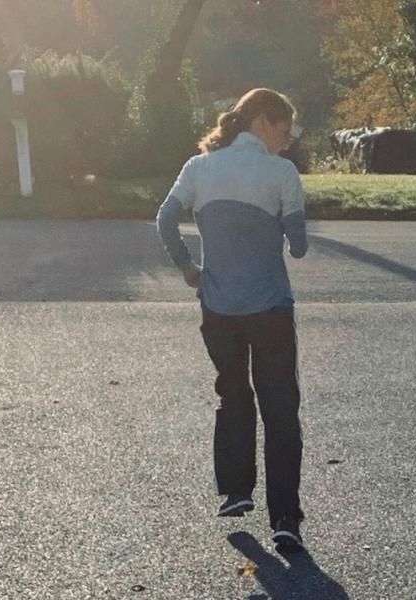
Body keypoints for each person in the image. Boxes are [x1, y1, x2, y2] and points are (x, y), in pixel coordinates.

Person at [156, 88, 308, 553]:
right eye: (285, 130)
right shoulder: (282, 173)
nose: (288, 141)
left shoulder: (199, 168)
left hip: (218, 305)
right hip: (270, 307)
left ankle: (236, 490)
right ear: (263, 121)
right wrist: (282, 226)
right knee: (280, 408)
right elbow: (298, 246)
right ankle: (284, 516)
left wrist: (187, 267)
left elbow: (165, 219)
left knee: (233, 391)